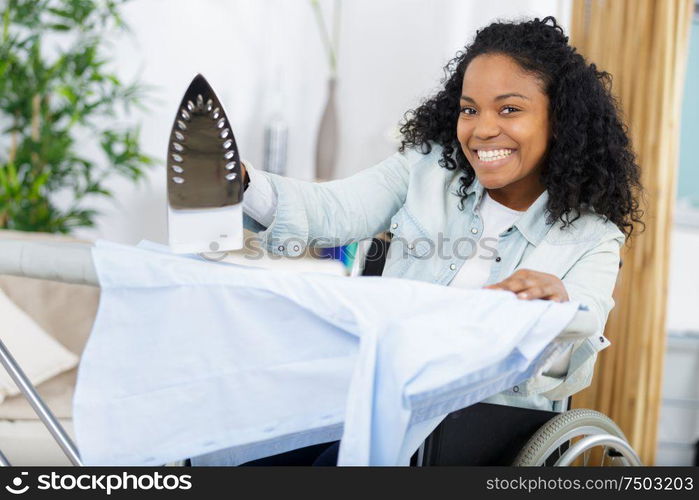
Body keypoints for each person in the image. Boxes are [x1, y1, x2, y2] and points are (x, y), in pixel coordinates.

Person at [192, 16, 644, 466]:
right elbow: (332, 208)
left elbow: (572, 360)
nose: (482, 129)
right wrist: (241, 182)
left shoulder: (592, 239)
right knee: (239, 445)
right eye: (470, 109)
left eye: (509, 109)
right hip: (376, 403)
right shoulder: (426, 171)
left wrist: (557, 315)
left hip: (476, 433)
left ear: (559, 120)